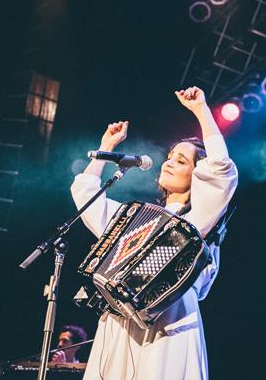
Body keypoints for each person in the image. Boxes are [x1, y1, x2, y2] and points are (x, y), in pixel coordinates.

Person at [70, 86, 238, 380]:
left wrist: (201, 110)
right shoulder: (137, 220)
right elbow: (87, 198)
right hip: (119, 321)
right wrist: (105, 149)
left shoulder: (198, 221)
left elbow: (220, 169)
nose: (169, 162)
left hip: (169, 320)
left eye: (181, 161)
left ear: (198, 176)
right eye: (170, 157)